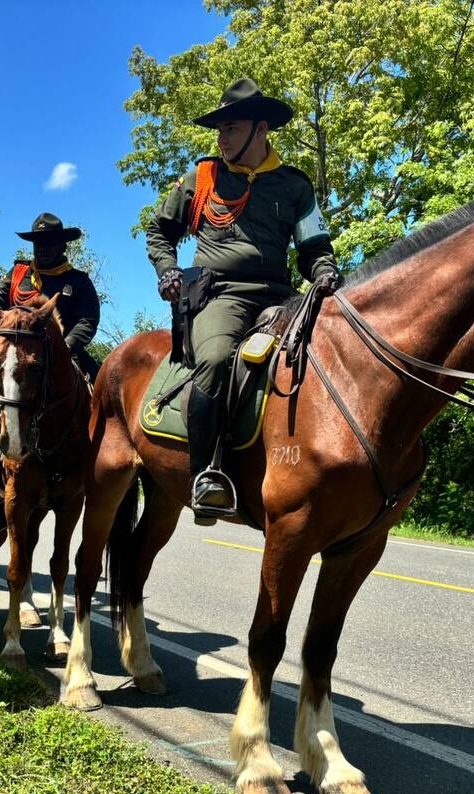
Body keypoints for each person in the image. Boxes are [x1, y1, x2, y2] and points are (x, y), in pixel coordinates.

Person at [145, 78, 341, 518]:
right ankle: (204, 476)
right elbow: (160, 231)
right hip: (219, 295)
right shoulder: (202, 176)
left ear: (261, 129)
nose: (222, 137)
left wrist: (325, 271)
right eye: (220, 129)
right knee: (215, 359)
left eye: (231, 128)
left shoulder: (295, 186)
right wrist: (168, 271)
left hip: (280, 297)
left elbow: (314, 248)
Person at [0, 212, 101, 498]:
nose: (43, 247)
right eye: (38, 242)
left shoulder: (77, 281)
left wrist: (65, 347)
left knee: (105, 392)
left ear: (63, 246)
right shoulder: (16, 275)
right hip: (20, 358)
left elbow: (88, 320)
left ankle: (101, 467)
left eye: (50, 242)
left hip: (65, 354)